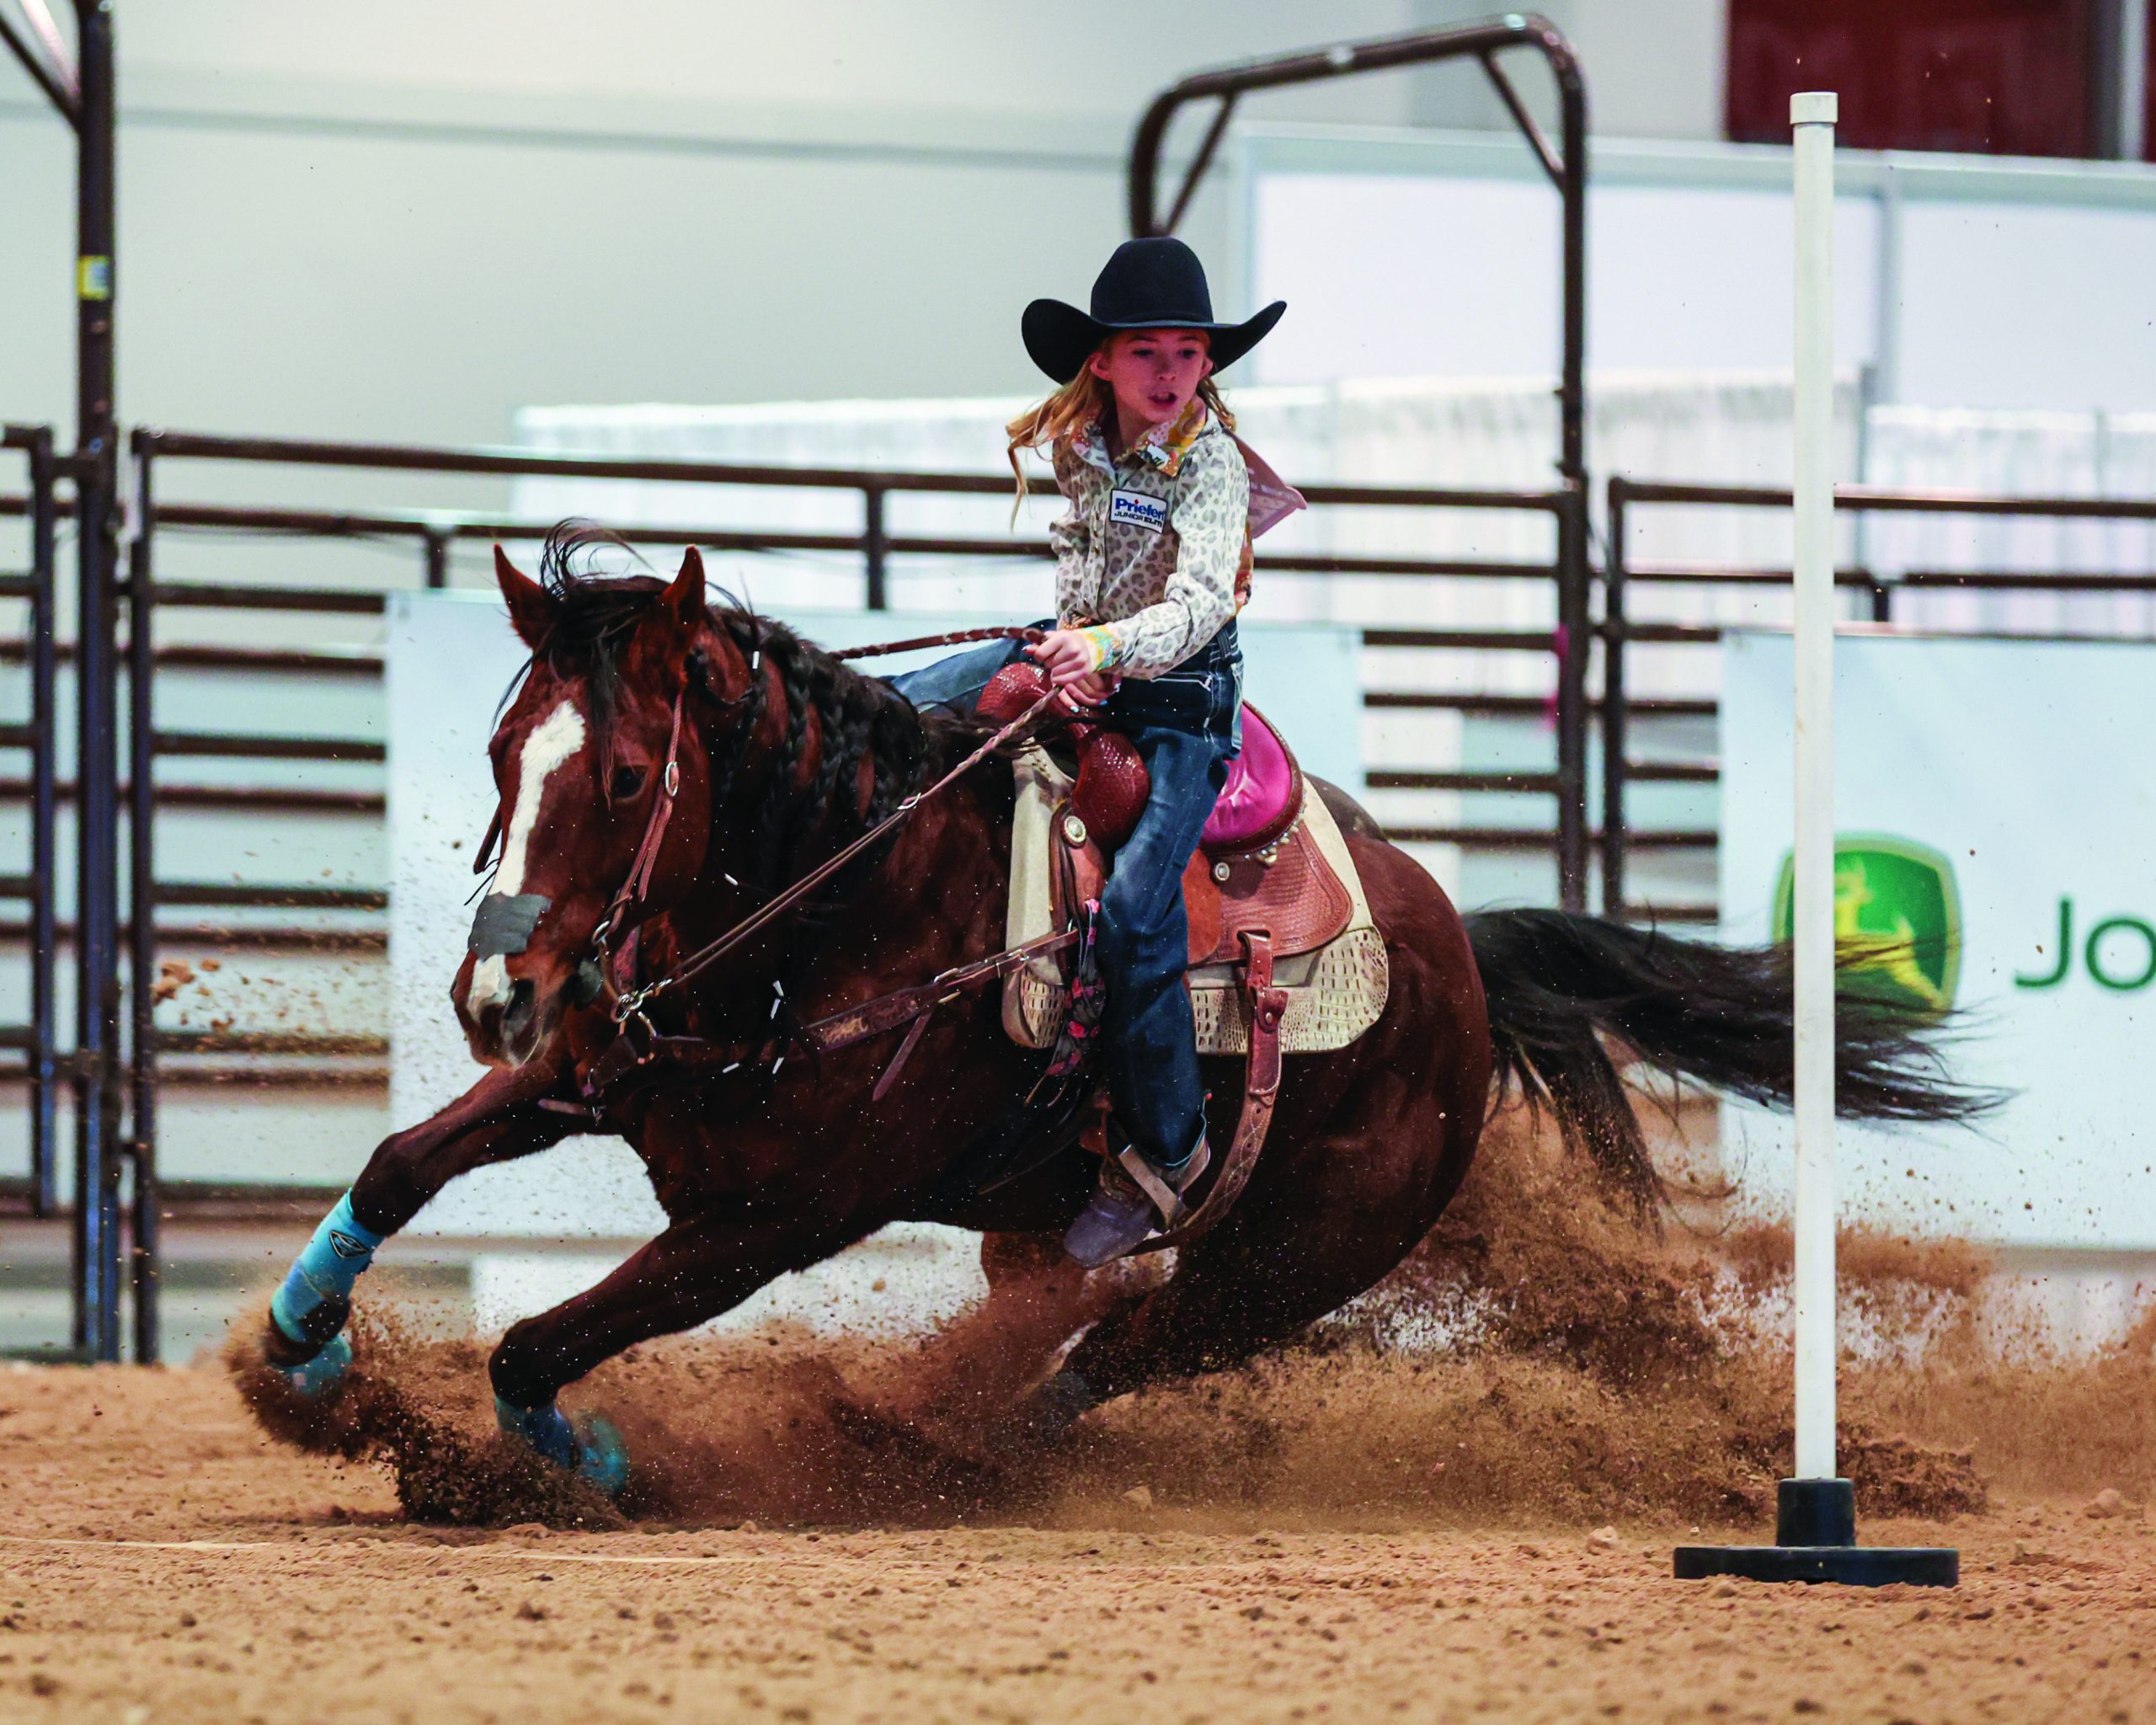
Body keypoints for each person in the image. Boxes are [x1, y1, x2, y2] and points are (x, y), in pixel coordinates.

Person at [892, 236, 1294, 1266]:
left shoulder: (1210, 466)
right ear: (1103, 364)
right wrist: (1068, 648)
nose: (1170, 374)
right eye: (1147, 353)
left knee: (1133, 913)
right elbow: (1083, 558)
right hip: (1102, 672)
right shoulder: (1084, 450)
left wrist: (1103, 650)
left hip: (1183, 711)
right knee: (911, 706)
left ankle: (1168, 1151)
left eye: (1189, 354)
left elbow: (1204, 602)